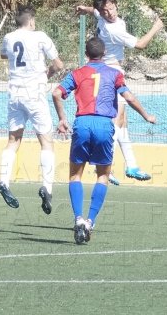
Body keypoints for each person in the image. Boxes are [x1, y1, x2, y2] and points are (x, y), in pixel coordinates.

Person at [52, 37, 157, 244]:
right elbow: (129, 98)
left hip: (82, 124)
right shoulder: (115, 74)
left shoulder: (77, 73)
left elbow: (56, 93)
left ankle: (78, 219)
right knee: (103, 176)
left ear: (86, 54)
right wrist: (146, 116)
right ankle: (90, 222)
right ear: (105, 55)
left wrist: (62, 119)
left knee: (75, 175)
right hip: (103, 125)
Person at [75, 0, 163, 182]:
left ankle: (131, 165)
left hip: (108, 70)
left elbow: (95, 11)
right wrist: (155, 28)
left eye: (111, 9)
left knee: (122, 123)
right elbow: (140, 45)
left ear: (115, 5)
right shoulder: (112, 29)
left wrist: (85, 8)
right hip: (111, 70)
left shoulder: (102, 15)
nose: (109, 13)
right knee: (116, 122)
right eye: (105, 11)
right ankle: (106, 166)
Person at [0, 5, 64, 214]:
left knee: (13, 140)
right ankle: (47, 187)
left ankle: (4, 181)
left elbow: (4, 56)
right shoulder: (40, 36)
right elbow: (58, 65)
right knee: (46, 142)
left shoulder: (9, 37)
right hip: (34, 94)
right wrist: (46, 73)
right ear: (32, 21)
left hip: (14, 94)